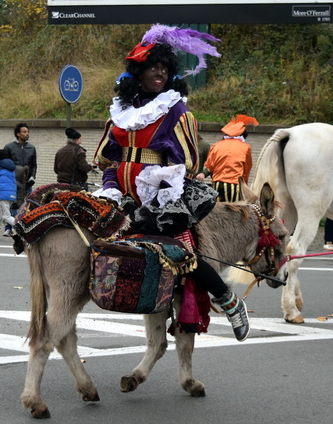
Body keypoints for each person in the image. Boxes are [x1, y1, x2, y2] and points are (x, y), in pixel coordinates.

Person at [92, 25, 251, 341]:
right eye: (153, 67)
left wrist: (159, 186)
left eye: (165, 68)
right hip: (119, 190)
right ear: (139, 71)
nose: (160, 74)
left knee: (183, 254)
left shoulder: (175, 109)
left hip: (161, 194)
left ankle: (230, 301)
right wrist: (111, 184)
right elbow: (107, 157)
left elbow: (189, 161)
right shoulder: (122, 109)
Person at [197, 115, 257, 202]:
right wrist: (244, 185)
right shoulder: (246, 147)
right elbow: (246, 169)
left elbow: (210, 166)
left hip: (217, 183)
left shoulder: (216, 145)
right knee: (234, 209)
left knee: (218, 209)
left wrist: (203, 174)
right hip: (235, 184)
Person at [3, 123, 37, 235]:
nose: (27, 134)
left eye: (28, 132)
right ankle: (9, 228)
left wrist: (32, 177)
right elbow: (5, 164)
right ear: (18, 134)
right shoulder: (9, 147)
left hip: (27, 182)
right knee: (14, 204)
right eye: (24, 132)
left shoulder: (31, 148)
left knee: (27, 205)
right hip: (14, 182)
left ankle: (23, 227)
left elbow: (34, 165)